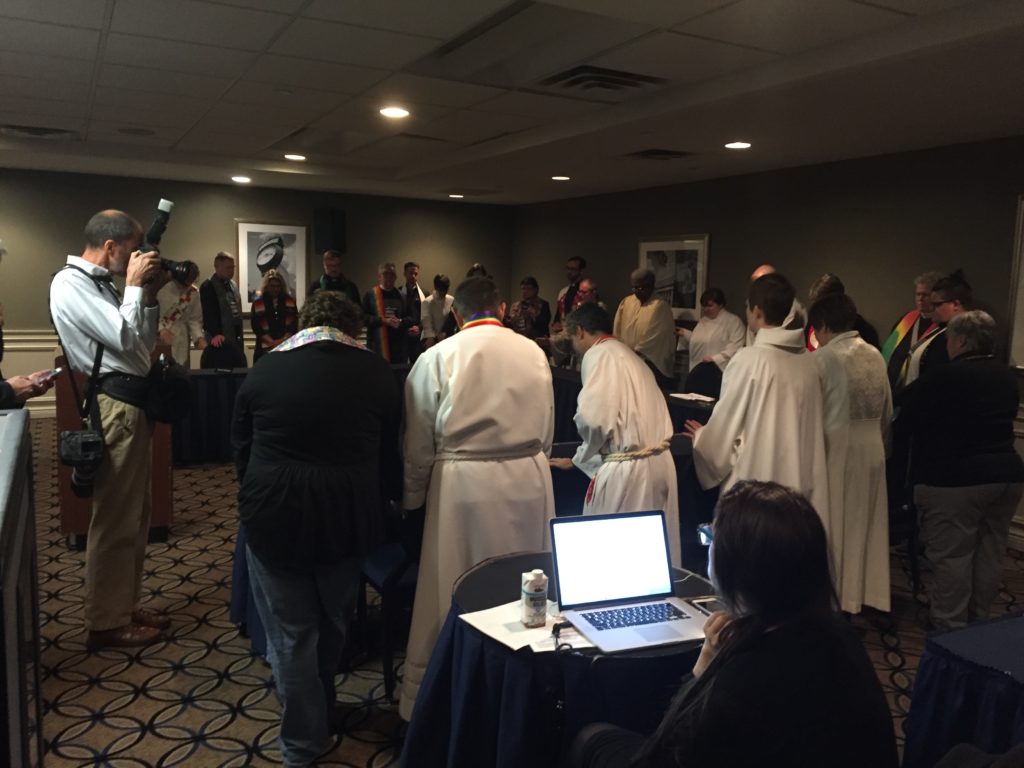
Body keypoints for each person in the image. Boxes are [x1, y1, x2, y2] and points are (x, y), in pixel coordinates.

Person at [570, 481, 899, 768]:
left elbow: (663, 754)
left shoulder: (744, 681)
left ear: (736, 569)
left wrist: (702, 671)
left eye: (711, 538)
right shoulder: (840, 635)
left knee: (592, 737)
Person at [232, 290, 401, 766]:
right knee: (332, 620)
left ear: (302, 322)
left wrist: (252, 495)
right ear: (352, 328)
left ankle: (302, 742)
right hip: (347, 515)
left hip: (273, 513)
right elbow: (389, 455)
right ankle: (317, 713)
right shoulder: (375, 372)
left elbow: (240, 447)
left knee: (290, 633)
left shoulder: (265, 366)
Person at [400, 276, 555, 721]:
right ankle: (524, 685)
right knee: (526, 584)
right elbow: (546, 426)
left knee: (454, 583)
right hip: (527, 479)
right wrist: (534, 460)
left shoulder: (437, 356)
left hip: (462, 487)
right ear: (502, 308)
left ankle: (453, 690)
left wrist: (413, 500)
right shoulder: (534, 353)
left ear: (454, 312)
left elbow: (418, 444)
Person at [49, 209, 172, 649]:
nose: (138, 256)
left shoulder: (105, 285)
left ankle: (125, 603)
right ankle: (105, 621)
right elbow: (123, 339)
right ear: (110, 247)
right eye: (133, 249)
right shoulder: (70, 283)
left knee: (136, 513)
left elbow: (140, 347)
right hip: (114, 403)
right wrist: (136, 288)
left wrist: (149, 297)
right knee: (115, 517)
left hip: (131, 401)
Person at [904, 310, 1024, 630]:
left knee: (953, 557)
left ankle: (950, 629)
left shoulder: (946, 376)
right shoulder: (1005, 376)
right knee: (990, 553)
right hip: (1006, 476)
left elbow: (907, 411)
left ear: (958, 341)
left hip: (955, 479)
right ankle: (978, 622)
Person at [684, 273, 830, 531]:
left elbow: (725, 431)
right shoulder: (810, 363)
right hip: (800, 483)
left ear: (757, 311)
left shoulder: (748, 360)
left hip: (755, 487)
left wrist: (703, 437)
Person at [550, 303, 680, 566]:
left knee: (615, 559)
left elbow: (594, 419)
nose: (573, 345)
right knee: (651, 556)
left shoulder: (598, 355)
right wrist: (578, 459)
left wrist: (580, 457)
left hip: (631, 471)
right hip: (660, 464)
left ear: (581, 331)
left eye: (572, 337)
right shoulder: (630, 356)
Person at [809, 293, 893, 614]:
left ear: (825, 326)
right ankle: (861, 593)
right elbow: (886, 407)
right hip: (872, 444)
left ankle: (835, 596)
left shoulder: (824, 359)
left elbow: (814, 412)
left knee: (835, 524)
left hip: (837, 447)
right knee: (865, 524)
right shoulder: (874, 354)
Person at [613, 268, 676, 386]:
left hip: (649, 362)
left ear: (651, 286)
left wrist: (638, 350)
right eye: (634, 288)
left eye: (640, 288)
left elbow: (656, 335)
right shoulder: (627, 302)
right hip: (626, 359)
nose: (636, 292)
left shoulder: (660, 306)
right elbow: (618, 327)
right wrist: (619, 346)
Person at [881, 271, 942, 390]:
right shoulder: (906, 318)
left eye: (925, 295)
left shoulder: (942, 325)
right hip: (889, 386)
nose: (920, 299)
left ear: (936, 296)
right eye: (918, 294)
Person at [804, 273, 880, 350]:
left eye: (824, 303)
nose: (819, 309)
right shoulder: (811, 323)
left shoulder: (859, 326)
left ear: (838, 299)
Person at [362, 262, 417, 364]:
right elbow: (363, 318)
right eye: (385, 274)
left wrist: (400, 321)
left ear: (395, 277)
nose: (389, 277)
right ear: (379, 276)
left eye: (392, 274)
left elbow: (412, 318)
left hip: (398, 348)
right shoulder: (370, 295)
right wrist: (383, 321)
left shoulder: (402, 296)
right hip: (377, 346)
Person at [199, 251, 247, 368]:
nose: (231, 270)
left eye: (233, 267)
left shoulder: (233, 285)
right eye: (228, 267)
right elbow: (208, 313)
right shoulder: (208, 286)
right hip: (217, 337)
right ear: (217, 267)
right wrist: (216, 333)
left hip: (235, 336)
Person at [156, 265, 206, 367]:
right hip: (159, 339)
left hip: (182, 339)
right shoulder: (161, 288)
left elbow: (194, 320)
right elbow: (151, 314)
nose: (189, 284)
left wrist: (199, 338)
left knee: (181, 370)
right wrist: (161, 329)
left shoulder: (193, 292)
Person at [746, 263, 805, 345]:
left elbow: (786, 341)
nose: (757, 288)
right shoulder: (754, 305)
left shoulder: (792, 307)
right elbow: (751, 338)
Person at [250, 269, 298, 362]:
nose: (275, 289)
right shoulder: (258, 303)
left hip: (286, 345)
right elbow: (256, 326)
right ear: (267, 286)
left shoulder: (289, 301)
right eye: (272, 286)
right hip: (263, 348)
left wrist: (282, 341)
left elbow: (294, 324)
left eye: (278, 286)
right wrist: (271, 342)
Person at [504, 275, 551, 341]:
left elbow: (544, 325)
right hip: (520, 340)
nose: (525, 291)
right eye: (523, 288)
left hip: (537, 341)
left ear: (535, 290)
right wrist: (506, 320)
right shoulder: (516, 306)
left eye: (528, 289)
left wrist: (533, 315)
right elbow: (511, 325)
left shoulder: (543, 305)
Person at [551, 256, 586, 333]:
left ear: (581, 271)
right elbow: (558, 315)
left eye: (573, 269)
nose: (569, 272)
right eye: (568, 268)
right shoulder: (563, 292)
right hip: (564, 335)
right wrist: (556, 324)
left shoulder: (587, 292)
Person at [401, 261, 425, 363]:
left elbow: (427, 316)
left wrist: (419, 328)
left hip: (418, 337)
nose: (413, 276)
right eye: (410, 273)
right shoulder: (398, 292)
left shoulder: (424, 293)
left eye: (416, 274)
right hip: (402, 336)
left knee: (418, 365)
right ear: (405, 274)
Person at [420, 274, 453, 349]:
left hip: (445, 337)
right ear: (435, 287)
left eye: (445, 290)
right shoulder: (427, 302)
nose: (443, 293)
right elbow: (426, 323)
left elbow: (451, 320)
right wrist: (433, 337)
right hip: (430, 337)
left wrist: (444, 334)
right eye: (440, 290)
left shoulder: (451, 300)